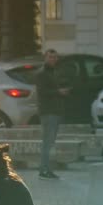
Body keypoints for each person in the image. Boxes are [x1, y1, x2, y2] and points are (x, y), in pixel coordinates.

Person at [35, 49, 70, 180]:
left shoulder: (54, 72)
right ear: (45, 58)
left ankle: (46, 168)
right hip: (48, 112)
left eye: (55, 57)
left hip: (55, 111)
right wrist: (58, 92)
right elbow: (43, 92)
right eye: (50, 57)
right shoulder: (42, 74)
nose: (53, 59)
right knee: (47, 141)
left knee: (50, 142)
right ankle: (44, 169)